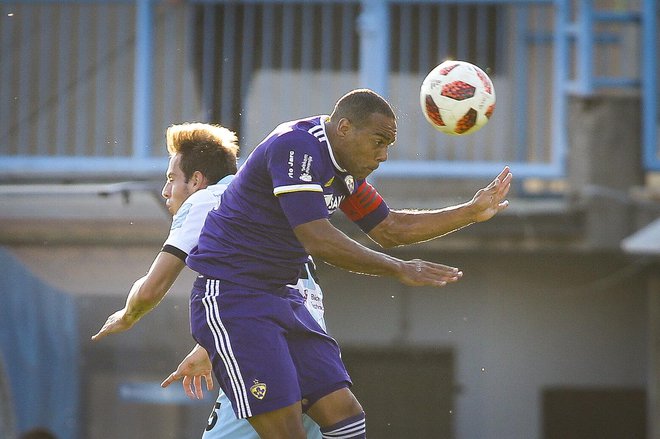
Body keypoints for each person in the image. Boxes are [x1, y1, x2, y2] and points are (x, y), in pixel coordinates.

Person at [186, 88, 513, 439]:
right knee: (288, 432)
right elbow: (318, 238)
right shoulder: (296, 146)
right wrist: (399, 268)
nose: (384, 155)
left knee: (345, 413)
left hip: (282, 297)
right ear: (344, 127)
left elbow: (389, 228)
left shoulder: (344, 170)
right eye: (378, 141)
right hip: (234, 297)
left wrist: (471, 212)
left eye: (388, 144)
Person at [91, 122, 324, 438]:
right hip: (314, 355)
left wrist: (126, 315)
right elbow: (266, 287)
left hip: (262, 351)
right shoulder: (265, 200)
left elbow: (153, 287)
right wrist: (208, 347)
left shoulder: (207, 199)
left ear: (197, 180)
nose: (166, 191)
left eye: (172, 179)